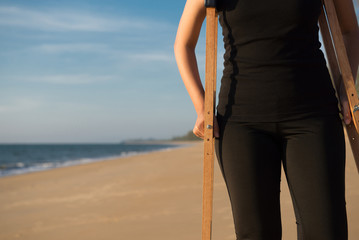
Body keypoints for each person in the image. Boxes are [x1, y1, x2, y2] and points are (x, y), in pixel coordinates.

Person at [174, 0, 359, 239]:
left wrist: (347, 88)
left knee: (326, 231)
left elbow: (350, 30)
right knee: (256, 233)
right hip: (241, 123)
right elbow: (183, 44)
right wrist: (201, 107)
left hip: (314, 117)